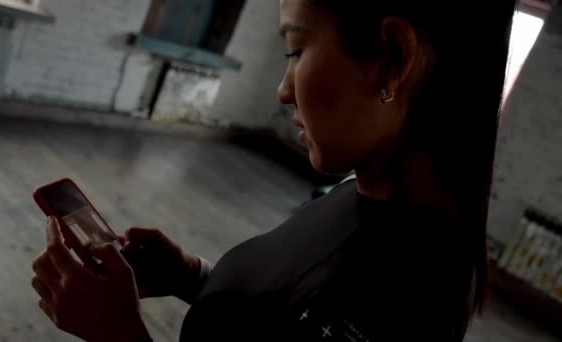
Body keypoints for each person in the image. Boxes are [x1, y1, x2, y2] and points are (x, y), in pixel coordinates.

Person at [31, 0, 517, 341]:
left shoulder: (414, 287)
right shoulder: (363, 194)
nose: (284, 90)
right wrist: (191, 276)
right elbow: (291, 320)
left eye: (297, 50)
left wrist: (117, 334)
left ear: (392, 61)